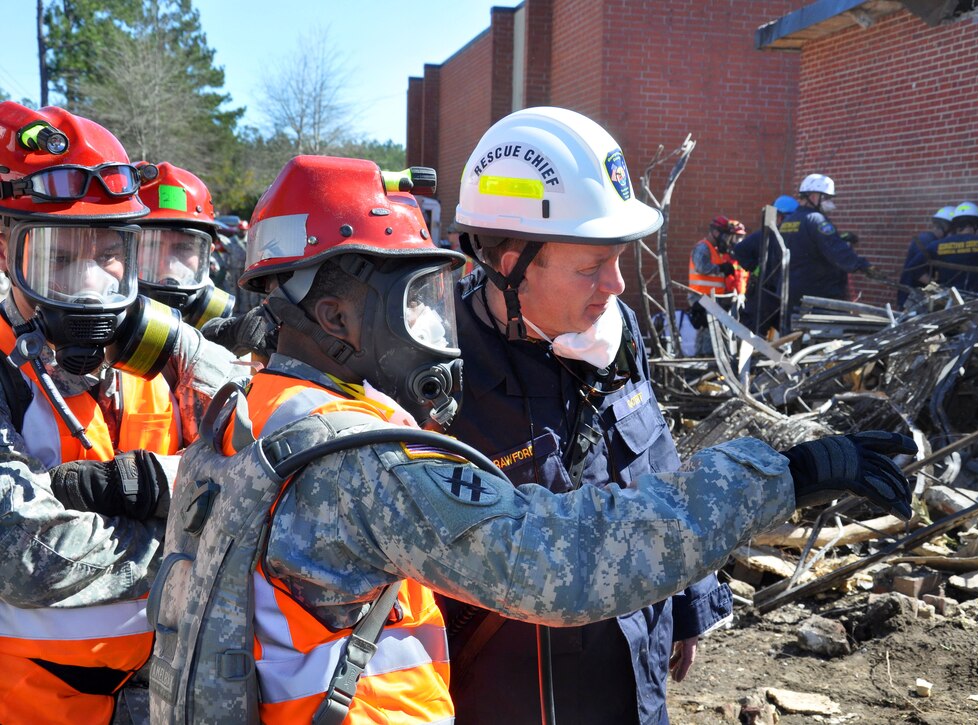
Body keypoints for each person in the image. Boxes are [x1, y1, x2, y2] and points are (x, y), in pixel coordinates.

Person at [148, 151, 917, 723]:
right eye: (411, 302)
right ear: (336, 316)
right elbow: (563, 558)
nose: (432, 326)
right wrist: (786, 473)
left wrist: (684, 603)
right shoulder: (355, 457)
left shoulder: (248, 404)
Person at [445, 107, 732, 724]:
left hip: (632, 672)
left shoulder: (617, 333)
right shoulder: (440, 373)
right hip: (508, 694)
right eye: (591, 266)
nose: (618, 284)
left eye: (620, 258)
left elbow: (656, 458)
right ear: (511, 259)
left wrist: (689, 599)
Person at [0, 101, 238, 724]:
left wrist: (189, 349)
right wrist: (200, 544)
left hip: (156, 698)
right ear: (5, 252)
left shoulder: (156, 353)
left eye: (110, 254)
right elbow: (24, 555)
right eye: (58, 257)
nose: (88, 285)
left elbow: (270, 455)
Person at [134, 162, 235, 328]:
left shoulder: (222, 338)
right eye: (152, 245)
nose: (168, 265)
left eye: (184, 248)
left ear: (207, 254)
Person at [779, 174, 874, 328]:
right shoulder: (817, 220)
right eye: (827, 198)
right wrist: (863, 265)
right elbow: (837, 251)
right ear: (814, 196)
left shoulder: (788, 221)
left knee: (795, 338)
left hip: (793, 293)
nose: (830, 203)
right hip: (818, 295)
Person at [734, 194, 799, 336]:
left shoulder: (789, 237)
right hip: (761, 294)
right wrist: (757, 269)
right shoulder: (764, 235)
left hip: (779, 294)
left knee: (788, 333)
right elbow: (739, 250)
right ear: (780, 217)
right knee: (752, 335)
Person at [688, 216, 748, 356]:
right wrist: (721, 268)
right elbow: (702, 267)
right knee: (710, 333)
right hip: (701, 298)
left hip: (712, 299)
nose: (726, 239)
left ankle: (704, 361)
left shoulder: (717, 251)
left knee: (711, 332)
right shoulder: (703, 247)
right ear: (715, 233)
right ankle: (705, 361)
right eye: (725, 235)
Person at [923, 201, 978, 293]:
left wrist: (937, 288)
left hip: (944, 300)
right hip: (974, 299)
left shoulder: (936, 245)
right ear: (976, 224)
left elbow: (914, 269)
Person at [896, 206, 955, 307]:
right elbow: (916, 271)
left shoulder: (928, 239)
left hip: (912, 294)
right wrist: (939, 289)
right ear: (945, 227)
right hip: (911, 296)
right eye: (952, 231)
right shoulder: (927, 241)